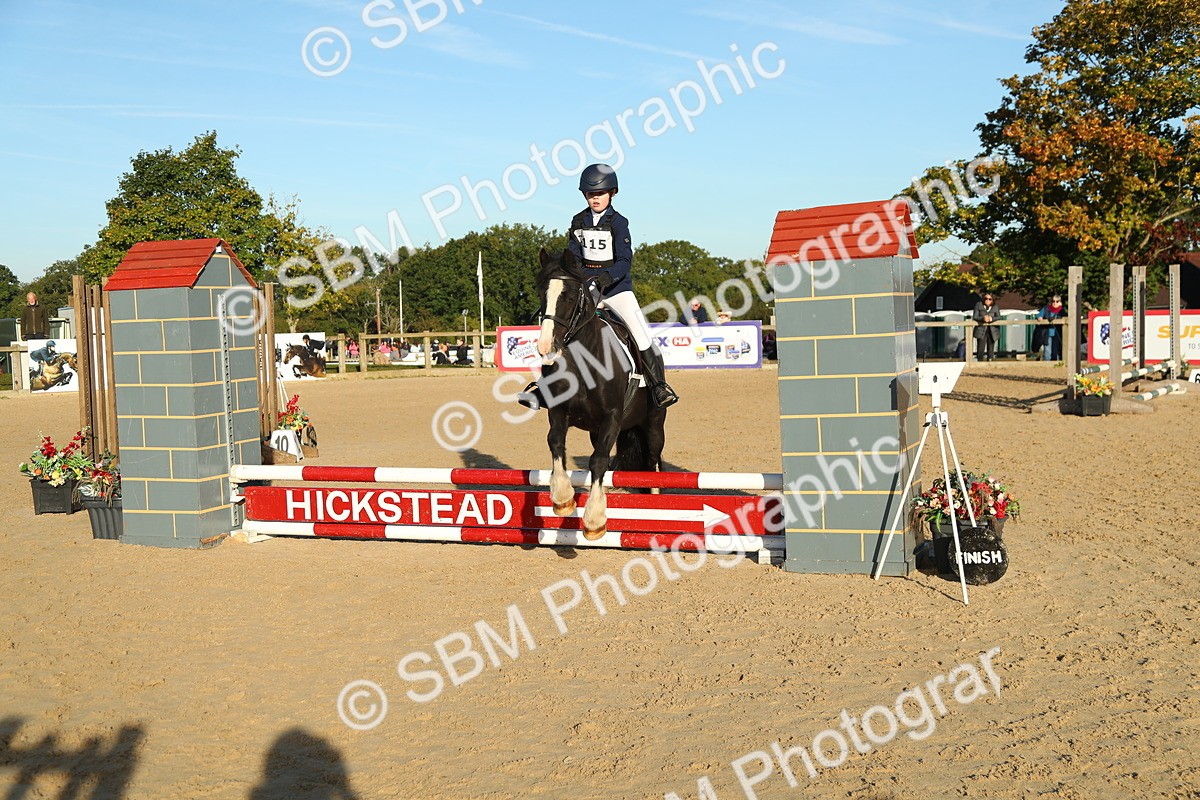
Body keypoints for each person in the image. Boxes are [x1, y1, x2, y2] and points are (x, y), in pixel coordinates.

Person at [519, 163, 678, 409]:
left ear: (612, 193)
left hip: (616, 289)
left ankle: (659, 386)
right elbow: (574, 258)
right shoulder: (578, 220)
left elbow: (625, 259)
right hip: (588, 291)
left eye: (600, 194)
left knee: (640, 333)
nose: (595, 198)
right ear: (585, 195)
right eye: (591, 194)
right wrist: (582, 280)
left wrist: (607, 277)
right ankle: (545, 389)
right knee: (559, 330)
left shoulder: (619, 222)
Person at [1037, 294, 1066, 361]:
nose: (1055, 303)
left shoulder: (1062, 311)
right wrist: (1039, 317)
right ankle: (1047, 366)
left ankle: (1057, 366)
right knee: (1047, 351)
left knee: (1055, 351)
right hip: (1047, 333)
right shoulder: (1046, 309)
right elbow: (1039, 315)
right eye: (1053, 301)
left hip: (1057, 334)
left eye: (1057, 301)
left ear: (1060, 302)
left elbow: (1066, 318)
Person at [972, 292, 1000, 362]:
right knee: (981, 348)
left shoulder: (995, 307)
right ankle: (980, 361)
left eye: (989, 299)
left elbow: (998, 316)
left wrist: (991, 319)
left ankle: (990, 361)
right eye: (986, 298)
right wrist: (983, 318)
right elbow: (975, 316)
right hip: (981, 329)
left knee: (991, 348)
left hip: (992, 330)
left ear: (992, 300)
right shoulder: (978, 305)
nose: (987, 300)